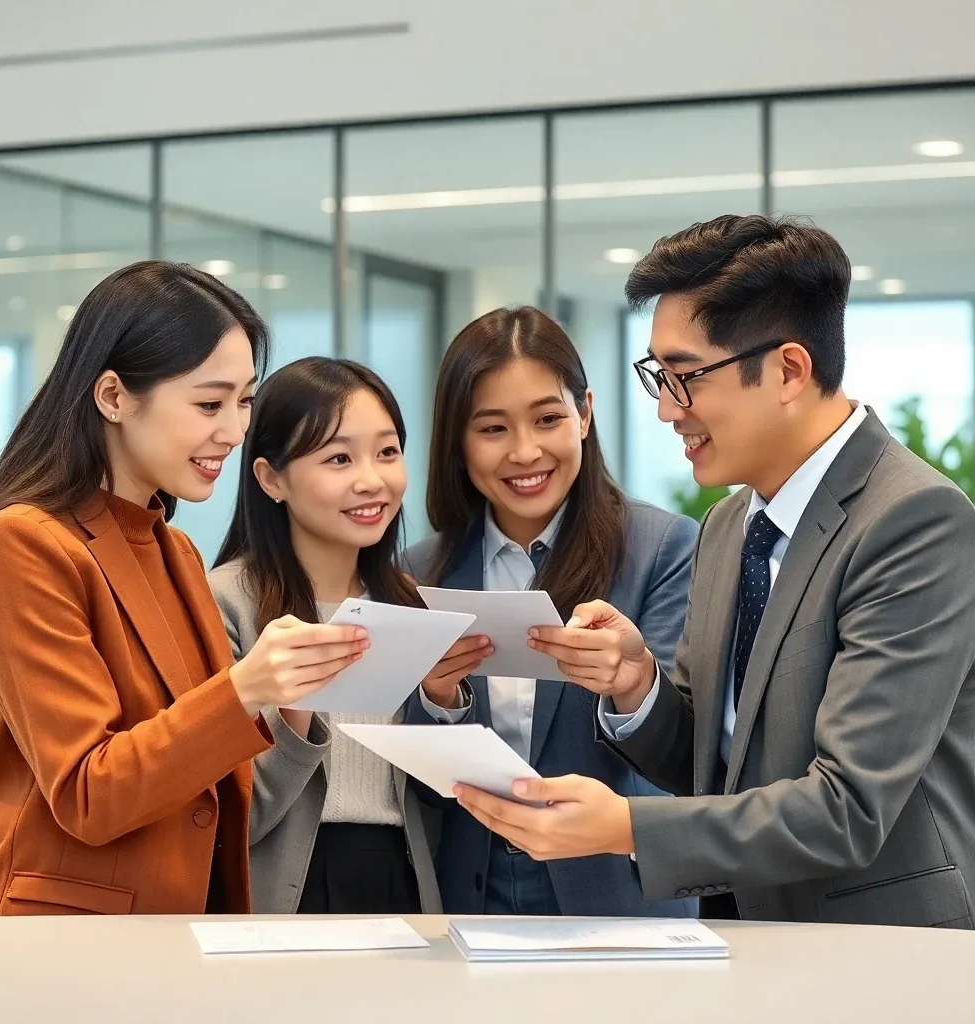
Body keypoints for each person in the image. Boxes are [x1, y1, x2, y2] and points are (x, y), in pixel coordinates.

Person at [453, 215, 975, 930]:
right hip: (744, 937)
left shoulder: (913, 520)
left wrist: (625, 827)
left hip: (880, 947)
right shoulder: (732, 526)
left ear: (789, 370)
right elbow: (711, 766)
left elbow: (848, 809)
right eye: (659, 378)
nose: (668, 409)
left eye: (686, 377)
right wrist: (636, 682)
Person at [0, 262, 368, 916]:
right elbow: (90, 794)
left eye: (244, 401)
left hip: (182, 941)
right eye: (209, 403)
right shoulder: (21, 544)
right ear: (114, 397)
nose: (233, 430)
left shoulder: (174, 550)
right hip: (68, 954)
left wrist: (286, 704)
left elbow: (206, 790)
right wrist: (246, 688)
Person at [404, 306, 698, 918]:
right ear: (457, 441)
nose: (525, 451)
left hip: (616, 891)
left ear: (584, 414)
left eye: (548, 418)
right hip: (471, 889)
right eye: (492, 429)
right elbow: (416, 778)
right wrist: (438, 696)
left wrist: (634, 682)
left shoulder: (663, 547)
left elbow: (687, 754)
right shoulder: (421, 570)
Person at [209, 357, 440, 915]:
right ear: (270, 479)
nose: (371, 479)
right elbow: (226, 821)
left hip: (404, 884)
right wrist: (294, 715)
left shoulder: (414, 602)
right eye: (338, 458)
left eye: (387, 452)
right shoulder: (225, 603)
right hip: (283, 884)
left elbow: (443, 808)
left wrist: (443, 699)